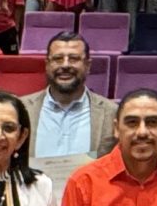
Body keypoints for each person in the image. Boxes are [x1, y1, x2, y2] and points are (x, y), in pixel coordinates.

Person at [23, 33, 118, 162]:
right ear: (47, 65)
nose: (65, 65)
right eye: (58, 59)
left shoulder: (111, 112)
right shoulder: (21, 108)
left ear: (88, 66)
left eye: (74, 59)